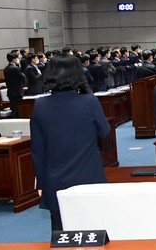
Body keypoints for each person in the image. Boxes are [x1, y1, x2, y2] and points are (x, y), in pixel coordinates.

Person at [30, 53, 110, 232]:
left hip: (54, 179)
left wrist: (41, 182)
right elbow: (104, 131)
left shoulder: (40, 105)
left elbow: (37, 149)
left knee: (61, 233)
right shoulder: (89, 102)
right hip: (88, 176)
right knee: (93, 230)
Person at [4, 52, 26, 117]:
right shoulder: (15, 68)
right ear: (13, 59)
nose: (17, 59)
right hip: (17, 91)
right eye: (16, 58)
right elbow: (23, 77)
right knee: (17, 110)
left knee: (14, 108)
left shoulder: (6, 68)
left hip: (10, 91)